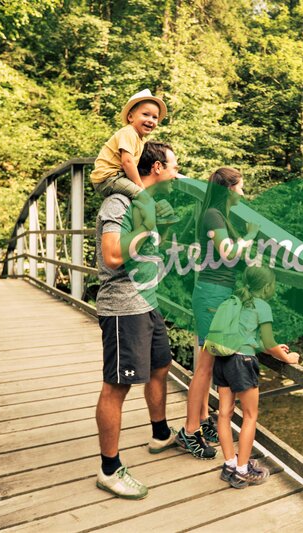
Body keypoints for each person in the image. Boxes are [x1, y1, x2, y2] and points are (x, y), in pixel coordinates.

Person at [93, 141, 180, 499]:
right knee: (117, 385)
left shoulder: (149, 202)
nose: (177, 172)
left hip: (147, 302)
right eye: (174, 165)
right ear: (157, 167)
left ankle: (160, 433)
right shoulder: (120, 202)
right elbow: (113, 255)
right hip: (123, 308)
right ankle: (109, 469)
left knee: (161, 366)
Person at [176, 168, 259, 459]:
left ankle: (199, 422)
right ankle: (189, 431)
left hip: (217, 295)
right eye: (240, 188)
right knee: (206, 367)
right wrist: (250, 236)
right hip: (212, 296)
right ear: (228, 189)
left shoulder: (219, 215)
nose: (243, 193)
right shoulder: (213, 214)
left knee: (208, 364)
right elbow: (227, 252)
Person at [214, 266, 300, 488]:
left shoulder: (236, 299)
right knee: (250, 416)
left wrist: (267, 347)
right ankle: (243, 471)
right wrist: (287, 358)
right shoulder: (262, 306)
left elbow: (250, 337)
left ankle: (230, 464)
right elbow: (269, 343)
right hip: (242, 362)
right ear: (268, 286)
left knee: (224, 414)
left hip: (222, 359)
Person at [89, 89, 167, 231]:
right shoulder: (128, 132)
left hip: (115, 177)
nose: (150, 120)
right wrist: (139, 185)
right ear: (131, 117)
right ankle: (150, 229)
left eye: (155, 117)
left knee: (140, 197)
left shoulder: (139, 139)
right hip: (108, 178)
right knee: (142, 195)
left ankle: (138, 226)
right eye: (145, 114)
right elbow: (127, 162)